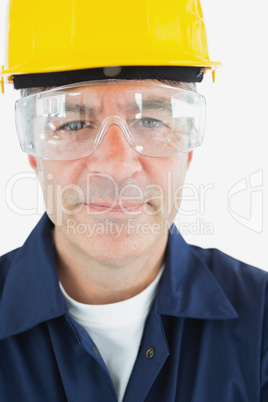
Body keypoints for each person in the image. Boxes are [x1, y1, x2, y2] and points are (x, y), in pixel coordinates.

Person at [0, 0, 267, 401]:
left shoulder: (261, 320)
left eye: (151, 120)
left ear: (187, 149)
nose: (116, 165)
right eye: (73, 123)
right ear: (35, 153)